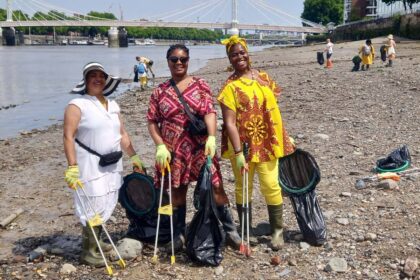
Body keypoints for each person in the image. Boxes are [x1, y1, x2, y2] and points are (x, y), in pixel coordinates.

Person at [147, 44, 241, 252]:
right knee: (178, 191)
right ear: (168, 61)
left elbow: (209, 111)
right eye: (174, 59)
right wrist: (160, 145)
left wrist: (212, 137)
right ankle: (178, 234)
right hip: (174, 150)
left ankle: (230, 230)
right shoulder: (159, 91)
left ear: (188, 61)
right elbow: (152, 121)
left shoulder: (200, 85)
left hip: (200, 147)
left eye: (183, 59)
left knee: (215, 187)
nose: (179, 63)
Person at [217, 36, 295, 250]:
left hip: (266, 142)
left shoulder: (263, 77)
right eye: (234, 54)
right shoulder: (229, 87)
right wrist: (238, 151)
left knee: (271, 184)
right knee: (244, 187)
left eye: (242, 52)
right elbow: (229, 123)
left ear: (248, 53)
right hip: (242, 145)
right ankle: (246, 229)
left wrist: (282, 134)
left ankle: (277, 230)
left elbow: (274, 108)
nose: (239, 57)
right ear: (229, 59)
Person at [64, 62, 144, 266]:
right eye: (93, 75)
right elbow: (68, 136)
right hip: (89, 163)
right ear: (86, 80)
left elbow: (122, 134)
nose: (98, 79)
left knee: (107, 199)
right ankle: (88, 251)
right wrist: (72, 167)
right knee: (92, 201)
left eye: (101, 75)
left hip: (112, 162)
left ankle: (97, 239)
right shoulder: (77, 105)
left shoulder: (113, 105)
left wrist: (134, 156)